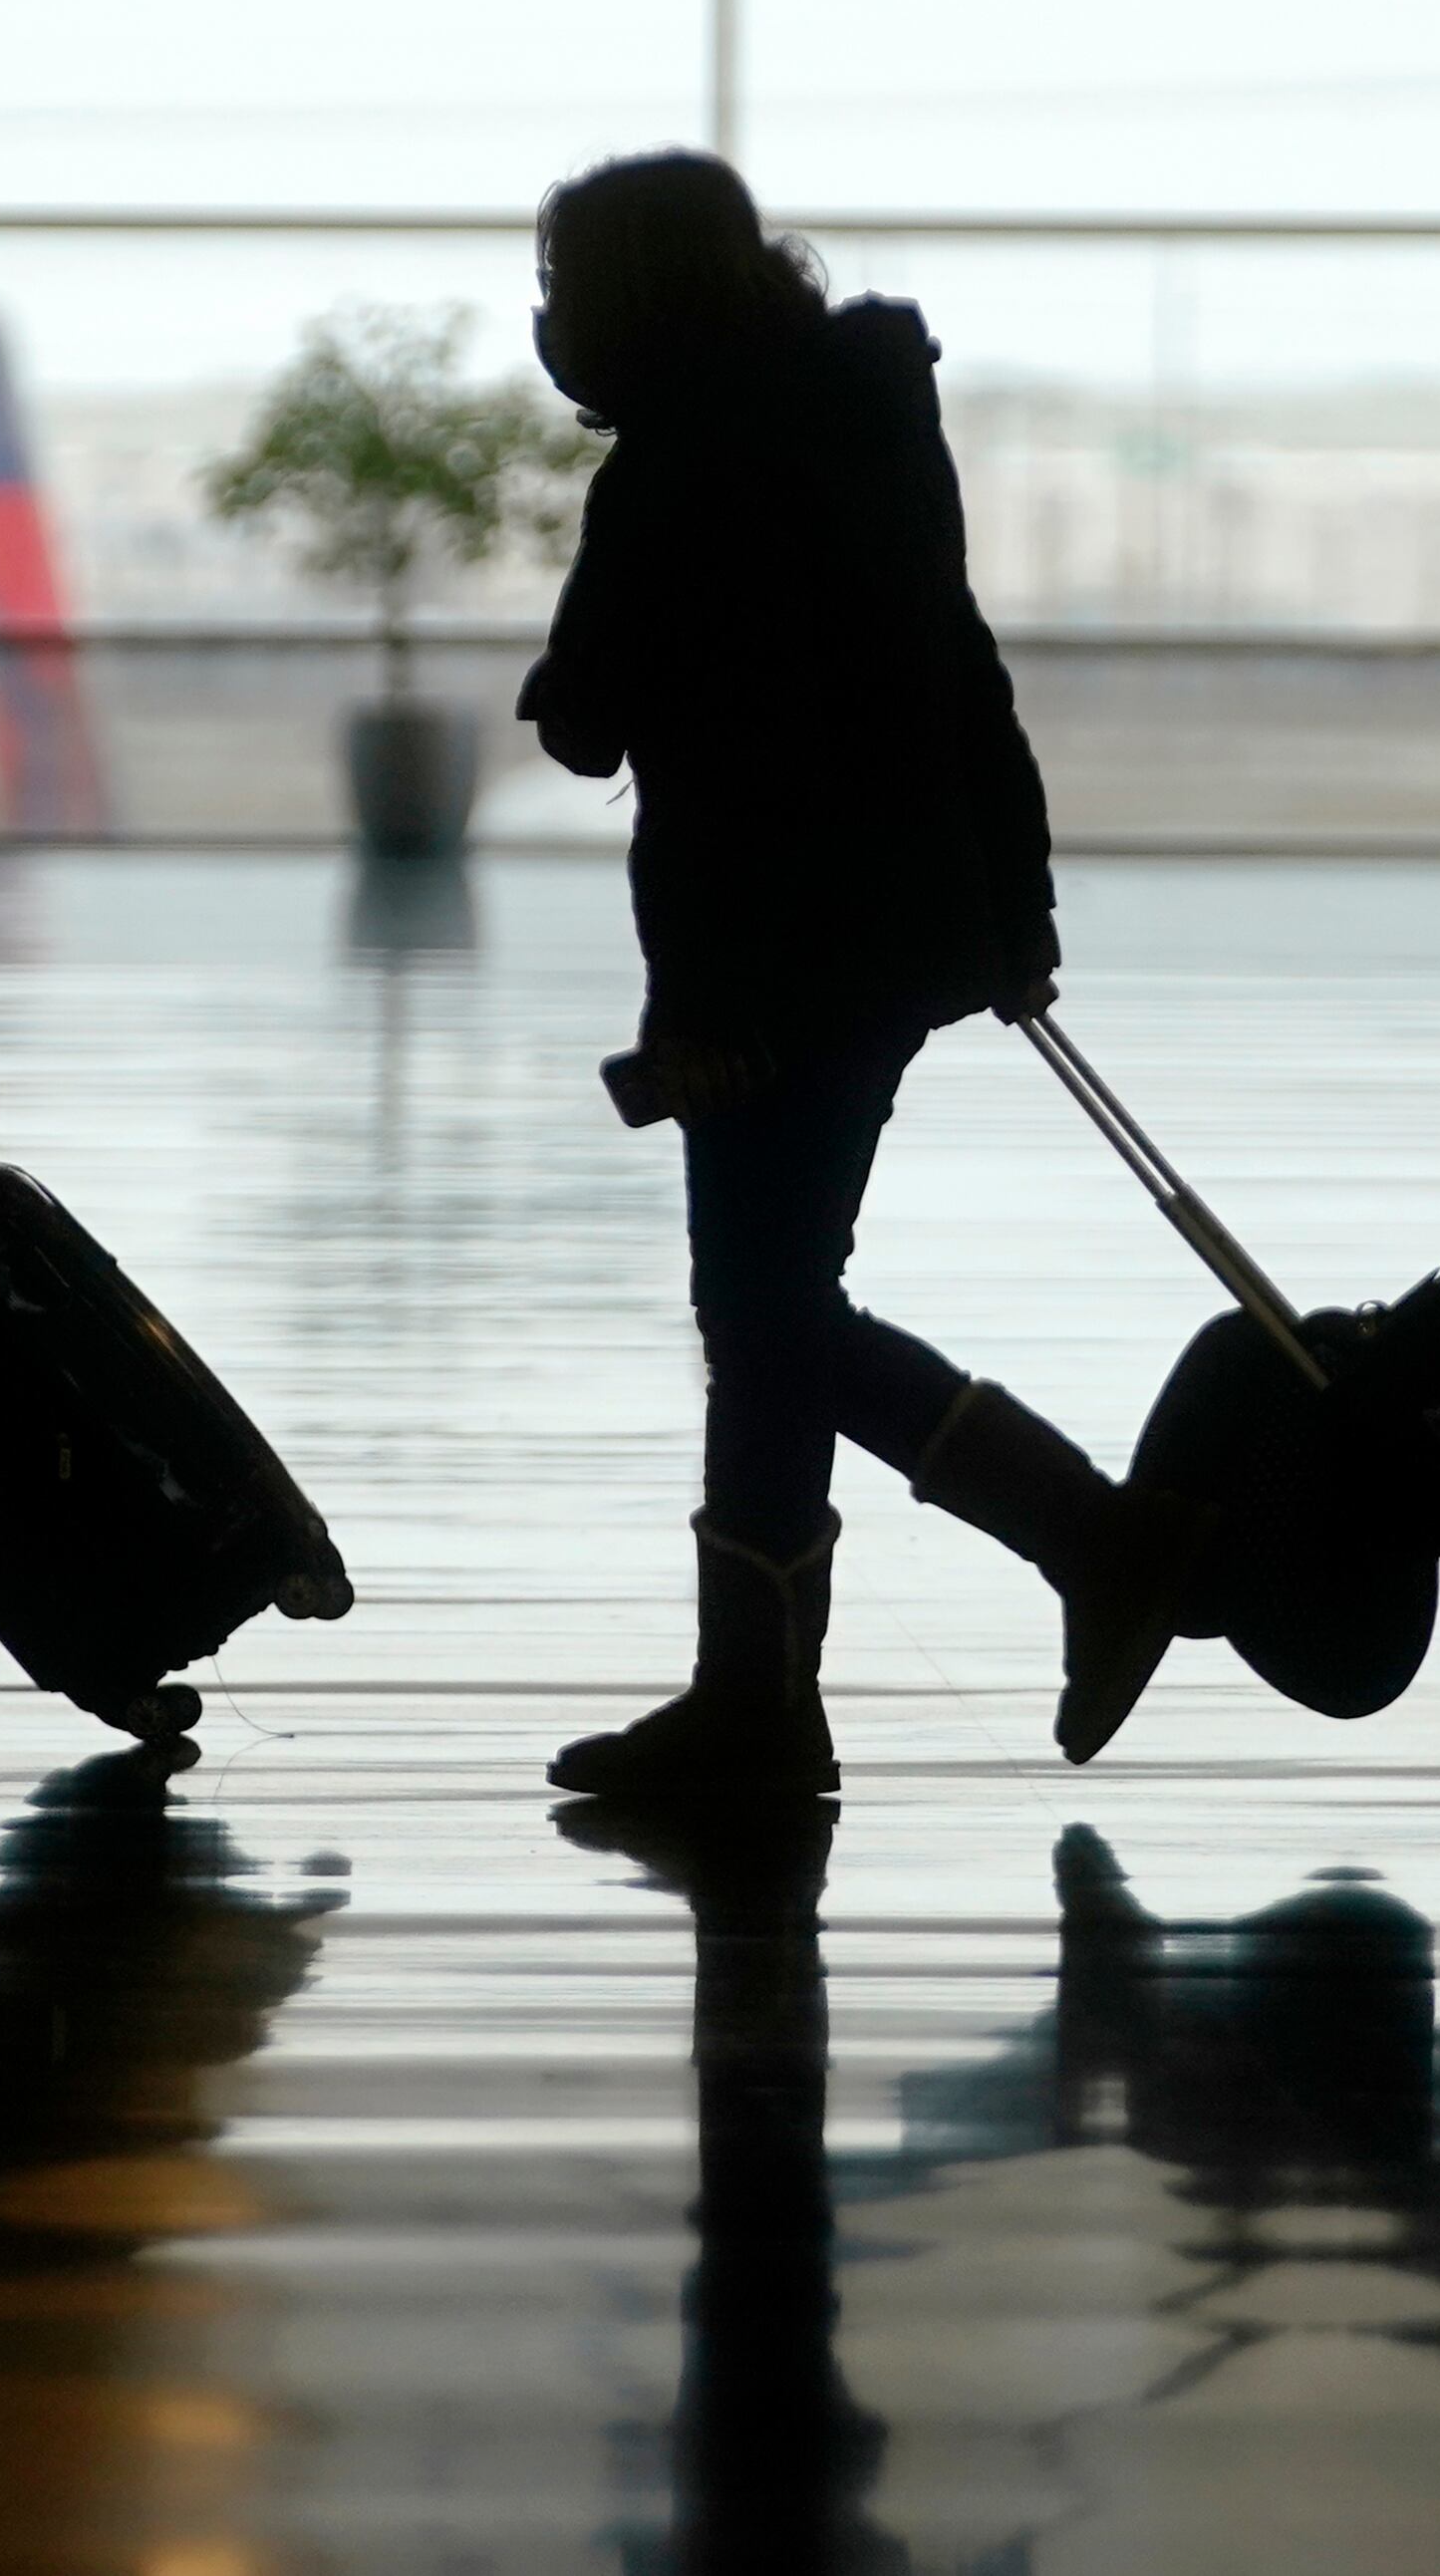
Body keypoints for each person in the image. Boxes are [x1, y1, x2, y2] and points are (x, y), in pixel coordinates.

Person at [519, 151, 1233, 1801]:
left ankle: (1091, 1539)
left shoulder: (676, 464)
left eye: (564, 290)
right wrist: (1013, 907)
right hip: (893, 927)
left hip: (753, 944)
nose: (549, 325)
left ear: (632, 296)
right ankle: (760, 1701)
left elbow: (587, 718)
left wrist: (579, 670)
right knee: (772, 1306)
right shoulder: (862, 423)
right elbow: (949, 660)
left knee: (766, 1313)